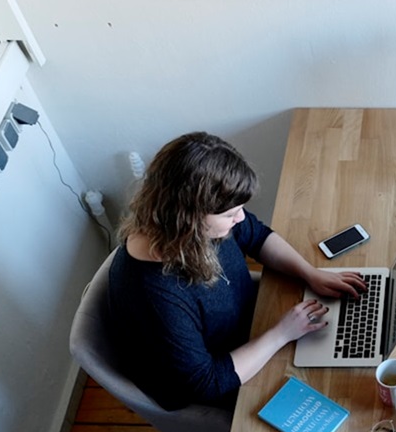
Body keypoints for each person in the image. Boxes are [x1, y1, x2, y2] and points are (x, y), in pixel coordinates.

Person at [109, 131, 366, 411]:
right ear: (189, 217)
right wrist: (281, 334)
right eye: (230, 214)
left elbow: (256, 236)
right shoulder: (155, 296)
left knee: (347, 353)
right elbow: (205, 383)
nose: (240, 218)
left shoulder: (190, 229)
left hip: (252, 325)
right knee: (340, 391)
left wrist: (309, 273)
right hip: (221, 376)